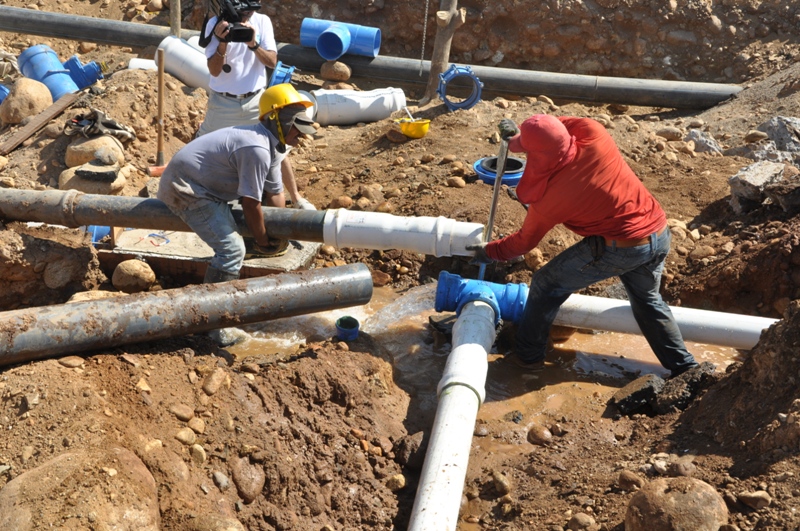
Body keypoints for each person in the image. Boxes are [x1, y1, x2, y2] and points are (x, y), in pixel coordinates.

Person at [467, 114, 699, 378]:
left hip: (620, 247)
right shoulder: (593, 133)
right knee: (647, 301)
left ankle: (527, 358)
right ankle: (685, 368)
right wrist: (517, 138)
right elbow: (557, 126)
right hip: (657, 231)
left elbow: (523, 243)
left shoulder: (551, 198)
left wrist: (488, 251)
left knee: (545, 283)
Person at [157, 84, 315, 345]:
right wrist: (263, 241)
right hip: (186, 189)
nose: (302, 137)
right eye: (299, 130)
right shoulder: (257, 149)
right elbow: (252, 204)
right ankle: (211, 323)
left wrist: (281, 231)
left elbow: (275, 195)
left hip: (208, 189)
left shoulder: (271, 145)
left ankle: (215, 312)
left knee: (245, 236)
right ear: (280, 122)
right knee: (232, 251)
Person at [197, 1, 314, 210]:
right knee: (204, 149)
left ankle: (296, 198)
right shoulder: (215, 24)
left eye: (251, 11)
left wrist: (254, 44)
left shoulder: (262, 22)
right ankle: (200, 199)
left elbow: (271, 61)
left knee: (277, 149)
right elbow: (215, 71)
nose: (248, 17)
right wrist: (222, 42)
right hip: (223, 103)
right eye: (244, 13)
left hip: (255, 101)